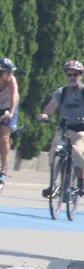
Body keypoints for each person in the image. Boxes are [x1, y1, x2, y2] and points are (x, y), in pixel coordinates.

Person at [38, 60, 84, 199]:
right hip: (63, 128)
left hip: (80, 129)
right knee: (54, 152)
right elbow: (52, 105)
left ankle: (81, 181)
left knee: (77, 151)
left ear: (80, 75)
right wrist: (45, 114)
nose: (72, 77)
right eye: (69, 74)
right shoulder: (61, 91)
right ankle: (53, 185)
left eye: (75, 74)